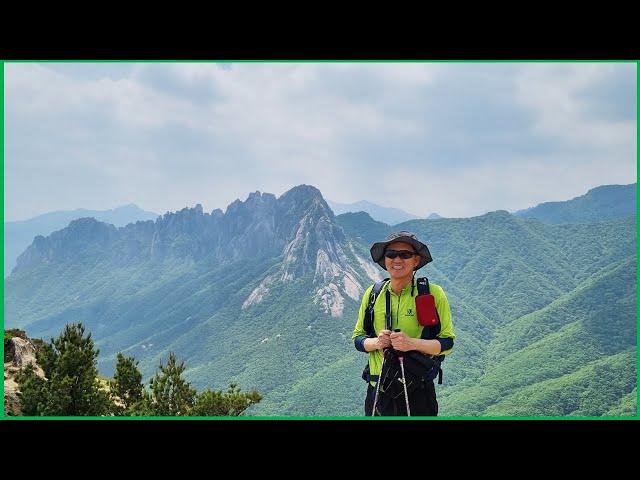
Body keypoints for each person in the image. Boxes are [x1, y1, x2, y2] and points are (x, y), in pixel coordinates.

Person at [351, 231, 455, 416]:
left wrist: (412, 344)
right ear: (385, 259)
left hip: (418, 389)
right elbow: (358, 339)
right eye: (391, 254)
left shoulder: (432, 294)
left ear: (416, 261)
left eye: (405, 254)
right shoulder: (373, 294)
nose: (397, 259)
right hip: (379, 389)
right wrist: (376, 342)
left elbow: (447, 342)